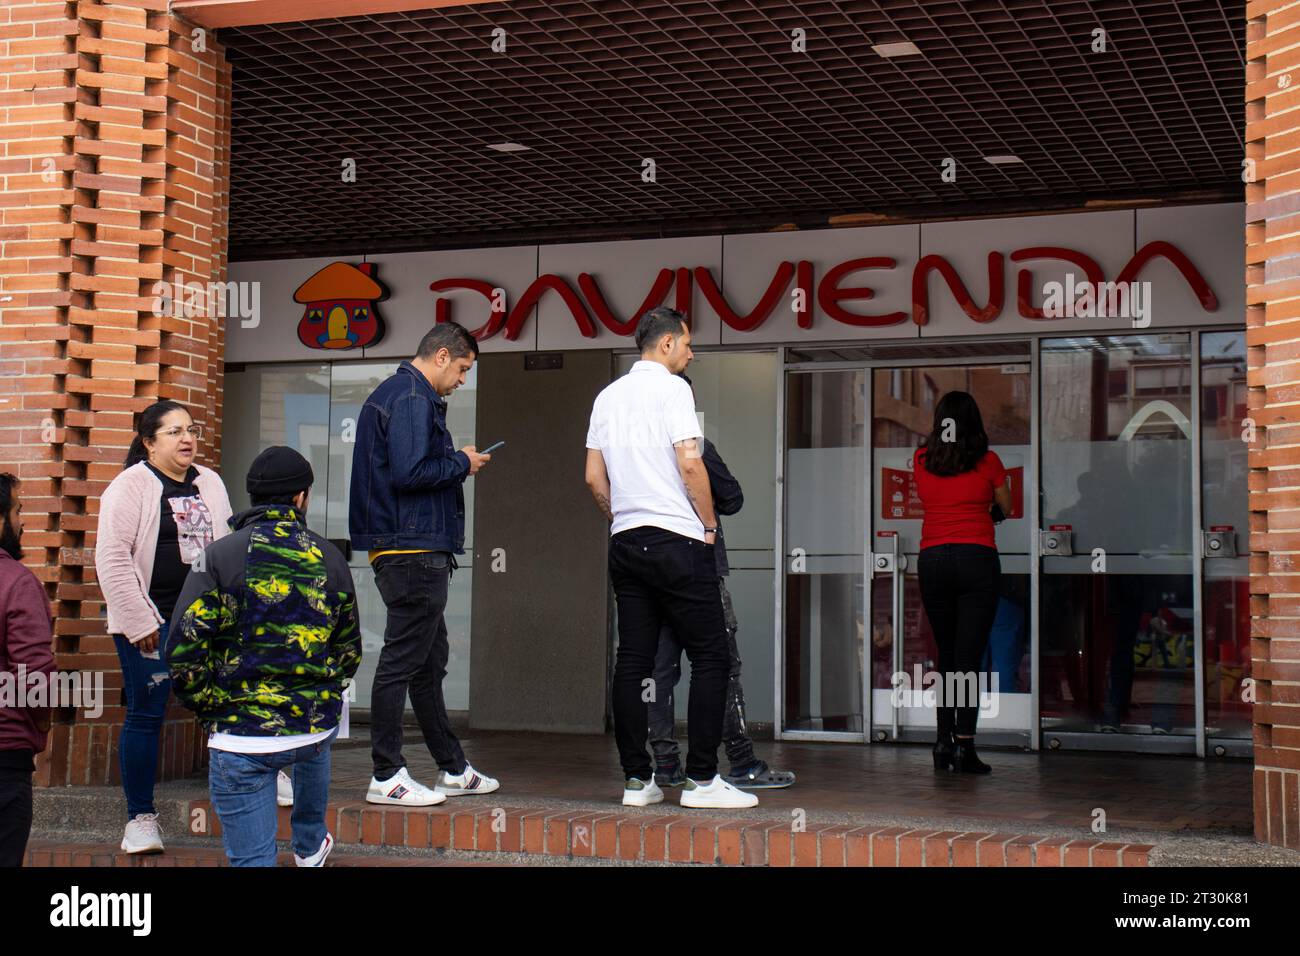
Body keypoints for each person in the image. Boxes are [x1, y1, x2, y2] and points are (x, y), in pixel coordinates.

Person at [585, 306, 757, 809]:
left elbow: (594, 478)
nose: (691, 352)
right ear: (665, 345)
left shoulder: (607, 396)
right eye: (686, 343)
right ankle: (702, 781)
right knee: (712, 656)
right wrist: (706, 527)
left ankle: (638, 781)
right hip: (678, 540)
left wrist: (620, 515)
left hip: (625, 540)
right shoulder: (673, 389)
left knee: (633, 661)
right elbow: (690, 462)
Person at [169, 446, 361, 867]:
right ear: (301, 497)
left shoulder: (218, 557)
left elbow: (182, 651)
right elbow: (348, 653)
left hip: (240, 736)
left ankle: (308, 842)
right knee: (318, 734)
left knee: (252, 860)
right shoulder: (330, 558)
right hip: (310, 731)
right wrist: (319, 694)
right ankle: (309, 843)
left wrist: (211, 707)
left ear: (251, 498)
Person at [350, 321, 498, 805]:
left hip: (409, 546)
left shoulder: (401, 394)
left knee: (426, 663)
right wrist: (462, 462)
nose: (462, 380)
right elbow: (412, 472)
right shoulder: (412, 397)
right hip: (412, 549)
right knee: (403, 660)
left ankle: (452, 767)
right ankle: (386, 774)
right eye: (462, 368)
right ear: (440, 356)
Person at [94, 401, 233, 852]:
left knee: (228, 705)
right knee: (147, 714)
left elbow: (226, 549)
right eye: (173, 432)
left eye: (190, 430)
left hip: (204, 622)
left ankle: (261, 783)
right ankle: (140, 819)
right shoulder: (129, 486)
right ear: (149, 443)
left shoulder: (209, 481)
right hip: (150, 625)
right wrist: (139, 621)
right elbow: (112, 559)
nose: (187, 439)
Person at [647, 374, 795, 790]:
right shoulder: (696, 446)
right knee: (719, 666)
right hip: (700, 569)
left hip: (649, 571)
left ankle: (665, 765)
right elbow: (733, 497)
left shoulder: (636, 452)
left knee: (658, 672)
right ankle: (740, 760)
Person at [912, 391, 1011, 774]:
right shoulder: (988, 461)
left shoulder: (922, 460)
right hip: (976, 559)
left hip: (933, 559)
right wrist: (987, 508)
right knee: (968, 658)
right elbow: (1007, 506)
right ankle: (964, 747)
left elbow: (930, 492)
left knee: (947, 654)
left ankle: (941, 741)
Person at [0, 474, 55, 867]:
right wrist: (41, 728)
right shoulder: (17, 583)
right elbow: (34, 676)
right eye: (18, 510)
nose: (23, 522)